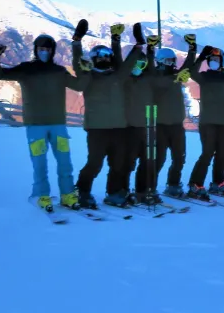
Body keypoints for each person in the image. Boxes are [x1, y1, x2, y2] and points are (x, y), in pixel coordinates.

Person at [0, 21, 89, 212]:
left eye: (48, 49)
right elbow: (0, 75)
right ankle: (42, 196)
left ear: (53, 51)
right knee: (40, 164)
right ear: (36, 49)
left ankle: (67, 195)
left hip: (58, 123)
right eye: (42, 49)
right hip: (36, 125)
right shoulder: (26, 69)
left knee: (65, 163)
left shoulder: (59, 71)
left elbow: (80, 85)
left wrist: (86, 70)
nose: (45, 52)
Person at [72, 28, 144, 208]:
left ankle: (113, 192)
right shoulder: (88, 76)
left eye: (107, 56)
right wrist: (76, 42)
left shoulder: (117, 76)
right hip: (97, 129)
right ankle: (82, 190)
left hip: (118, 128)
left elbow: (128, 64)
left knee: (118, 164)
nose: (104, 59)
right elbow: (77, 63)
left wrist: (139, 46)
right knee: (95, 163)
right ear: (93, 58)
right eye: (100, 56)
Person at [112, 24, 161, 205]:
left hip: (148, 126)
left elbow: (152, 66)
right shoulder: (124, 80)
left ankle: (145, 190)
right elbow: (119, 62)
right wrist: (115, 41)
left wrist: (151, 49)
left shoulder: (149, 79)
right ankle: (122, 191)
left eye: (142, 64)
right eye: (135, 63)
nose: (138, 66)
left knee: (149, 161)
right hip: (130, 126)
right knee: (128, 162)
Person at [187, 45, 224, 199]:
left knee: (223, 153)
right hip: (208, 121)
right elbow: (191, 71)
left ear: (222, 61)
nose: (214, 62)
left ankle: (219, 182)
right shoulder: (203, 77)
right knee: (208, 153)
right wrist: (201, 56)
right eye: (211, 59)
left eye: (216, 59)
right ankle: (196, 183)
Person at [149, 35, 197, 197]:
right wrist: (174, 78)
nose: (172, 64)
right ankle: (150, 187)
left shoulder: (176, 76)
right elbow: (160, 85)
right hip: (160, 125)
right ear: (161, 61)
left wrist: (192, 49)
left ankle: (173, 184)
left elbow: (188, 67)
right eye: (169, 61)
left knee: (179, 157)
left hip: (177, 125)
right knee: (159, 159)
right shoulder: (154, 76)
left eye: (173, 61)